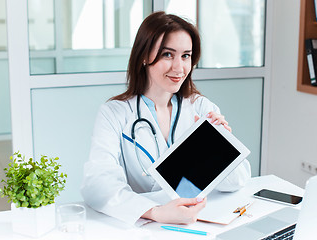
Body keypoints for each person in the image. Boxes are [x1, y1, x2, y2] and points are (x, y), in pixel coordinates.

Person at [81, 11, 251, 226]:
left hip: (197, 224)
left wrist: (220, 145)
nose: (179, 68)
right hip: (144, 225)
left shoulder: (201, 107)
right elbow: (97, 183)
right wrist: (156, 212)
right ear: (144, 56)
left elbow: (237, 181)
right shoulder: (115, 113)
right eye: (167, 54)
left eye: (186, 56)